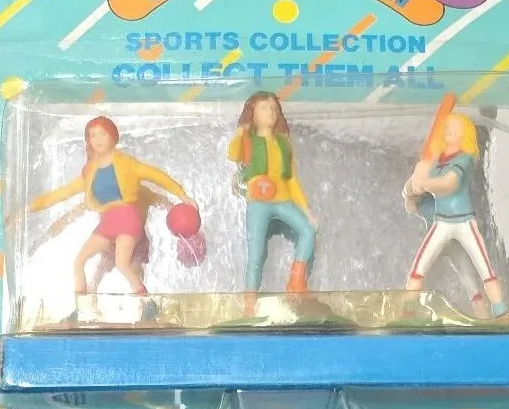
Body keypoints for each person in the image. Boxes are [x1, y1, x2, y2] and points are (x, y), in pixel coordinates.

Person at [23, 116, 197, 317]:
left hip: (128, 221)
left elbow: (157, 176)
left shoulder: (128, 165)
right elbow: (63, 193)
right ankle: (81, 309)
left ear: (113, 136)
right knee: (79, 262)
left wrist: (183, 196)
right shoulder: (90, 173)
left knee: (123, 263)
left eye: (102, 133)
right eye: (92, 135)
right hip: (107, 224)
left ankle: (147, 305)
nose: (97, 139)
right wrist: (31, 208)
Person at [402, 112, 506, 316]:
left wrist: (425, 183)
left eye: (455, 127)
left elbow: (449, 184)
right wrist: (415, 179)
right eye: (447, 127)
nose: (449, 130)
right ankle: (407, 312)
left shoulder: (464, 158)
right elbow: (409, 194)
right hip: (441, 223)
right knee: (418, 267)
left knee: (485, 269)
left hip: (464, 222)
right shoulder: (435, 161)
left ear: (465, 133)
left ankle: (501, 311)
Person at [227, 92, 316, 301]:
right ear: (253, 113)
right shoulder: (248, 140)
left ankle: (296, 280)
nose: (271, 112)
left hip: (283, 199)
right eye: (264, 108)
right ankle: (250, 299)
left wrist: (306, 208)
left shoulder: (283, 143)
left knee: (308, 230)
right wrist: (240, 133)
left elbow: (292, 179)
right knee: (256, 253)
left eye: (274, 108)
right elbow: (233, 155)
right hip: (258, 202)